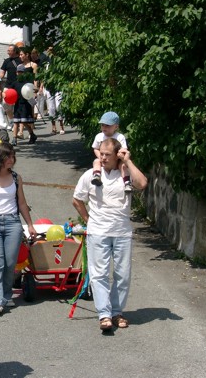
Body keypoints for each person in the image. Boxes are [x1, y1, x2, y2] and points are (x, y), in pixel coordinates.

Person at [72, 138, 147, 331]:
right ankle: (104, 315)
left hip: (122, 232)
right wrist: (88, 220)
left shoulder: (125, 173)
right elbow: (77, 200)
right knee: (99, 274)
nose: (103, 158)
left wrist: (128, 161)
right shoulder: (91, 175)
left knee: (123, 274)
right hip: (98, 232)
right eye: (101, 154)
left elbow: (143, 183)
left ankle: (117, 312)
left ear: (117, 155)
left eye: (107, 155)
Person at [0, 142, 36, 315]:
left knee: (10, 263)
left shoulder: (16, 178)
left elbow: (22, 203)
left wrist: (30, 225)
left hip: (12, 222)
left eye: (12, 156)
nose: (12, 159)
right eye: (8, 156)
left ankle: (6, 295)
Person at [91, 111, 131, 191]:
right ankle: (97, 176)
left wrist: (119, 156)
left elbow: (124, 149)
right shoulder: (99, 136)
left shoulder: (120, 137)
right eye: (102, 125)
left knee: (123, 166)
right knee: (96, 161)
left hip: (116, 160)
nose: (104, 127)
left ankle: (127, 182)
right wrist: (100, 156)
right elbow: (95, 148)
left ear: (116, 127)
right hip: (104, 159)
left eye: (108, 125)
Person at [10, 64, 37, 145]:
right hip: (17, 104)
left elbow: (34, 90)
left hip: (25, 104)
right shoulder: (14, 83)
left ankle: (32, 134)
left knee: (24, 121)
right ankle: (14, 139)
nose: (19, 73)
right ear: (16, 72)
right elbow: (10, 92)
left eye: (21, 72)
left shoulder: (27, 83)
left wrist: (35, 92)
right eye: (18, 72)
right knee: (16, 122)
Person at [0, 45, 21, 127]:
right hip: (8, 85)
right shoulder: (6, 61)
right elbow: (2, 73)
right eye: (7, 50)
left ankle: (18, 122)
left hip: (18, 85)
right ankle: (12, 120)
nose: (8, 52)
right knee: (5, 103)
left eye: (10, 50)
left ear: (15, 51)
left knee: (18, 104)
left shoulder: (20, 60)